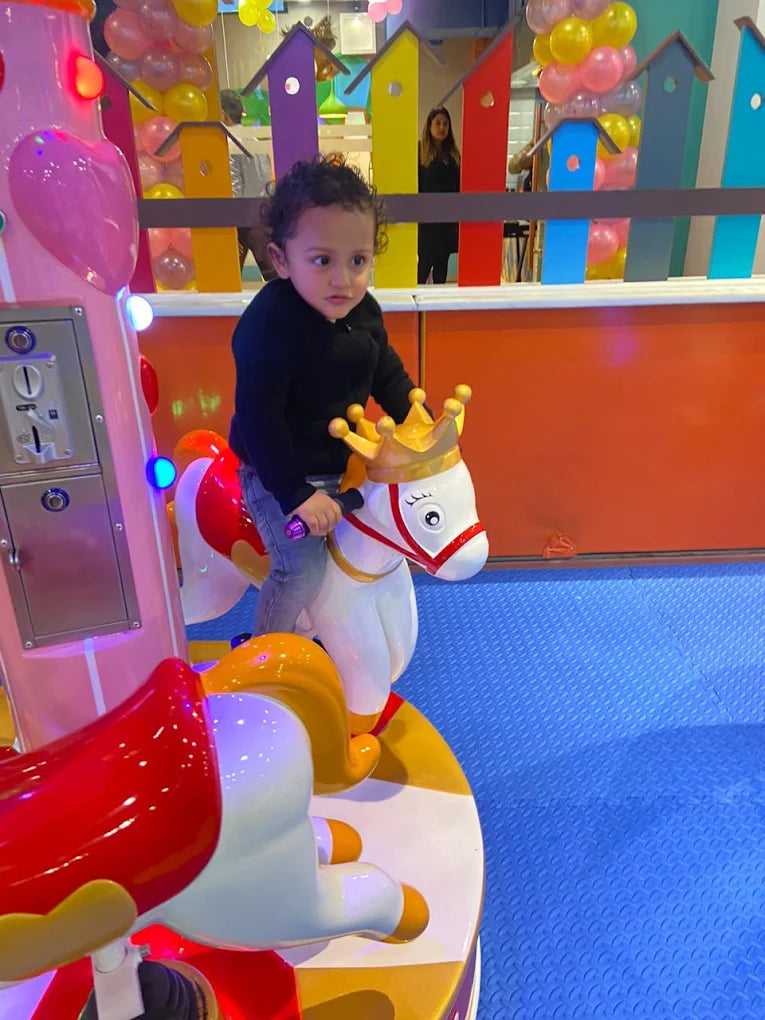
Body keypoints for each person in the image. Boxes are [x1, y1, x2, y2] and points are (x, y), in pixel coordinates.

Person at [229, 155, 417, 636]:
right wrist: (295, 495)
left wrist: (419, 421)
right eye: (323, 260)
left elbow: (388, 375)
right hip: (276, 470)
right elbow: (259, 419)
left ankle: (332, 632)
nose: (343, 279)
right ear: (280, 260)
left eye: (358, 261)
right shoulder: (270, 324)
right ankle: (265, 651)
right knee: (302, 569)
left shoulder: (365, 311)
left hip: (341, 463)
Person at [220, 88, 276, 281]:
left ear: (222, 115)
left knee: (228, 277)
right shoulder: (253, 138)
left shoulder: (227, 143)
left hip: (241, 217)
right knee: (273, 274)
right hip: (261, 214)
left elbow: (233, 185)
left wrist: (230, 222)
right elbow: (266, 177)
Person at [418, 107, 461, 285]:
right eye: (437, 123)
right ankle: (417, 307)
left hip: (447, 220)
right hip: (427, 220)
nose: (442, 127)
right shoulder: (420, 153)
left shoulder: (453, 156)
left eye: (445, 123)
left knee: (442, 264)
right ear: (429, 126)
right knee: (425, 264)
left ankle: (436, 310)